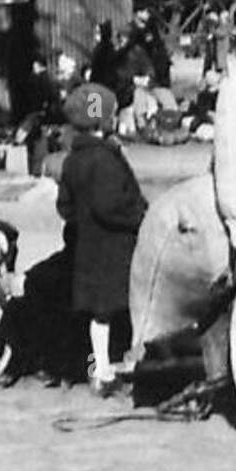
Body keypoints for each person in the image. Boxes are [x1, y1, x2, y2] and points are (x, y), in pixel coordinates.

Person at [56, 83, 147, 395]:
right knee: (131, 303)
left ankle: (101, 368)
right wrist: (139, 215)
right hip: (116, 246)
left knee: (99, 314)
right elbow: (113, 206)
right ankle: (130, 362)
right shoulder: (106, 159)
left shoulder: (73, 160)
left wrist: (81, 222)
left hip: (87, 246)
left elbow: (64, 206)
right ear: (103, 121)